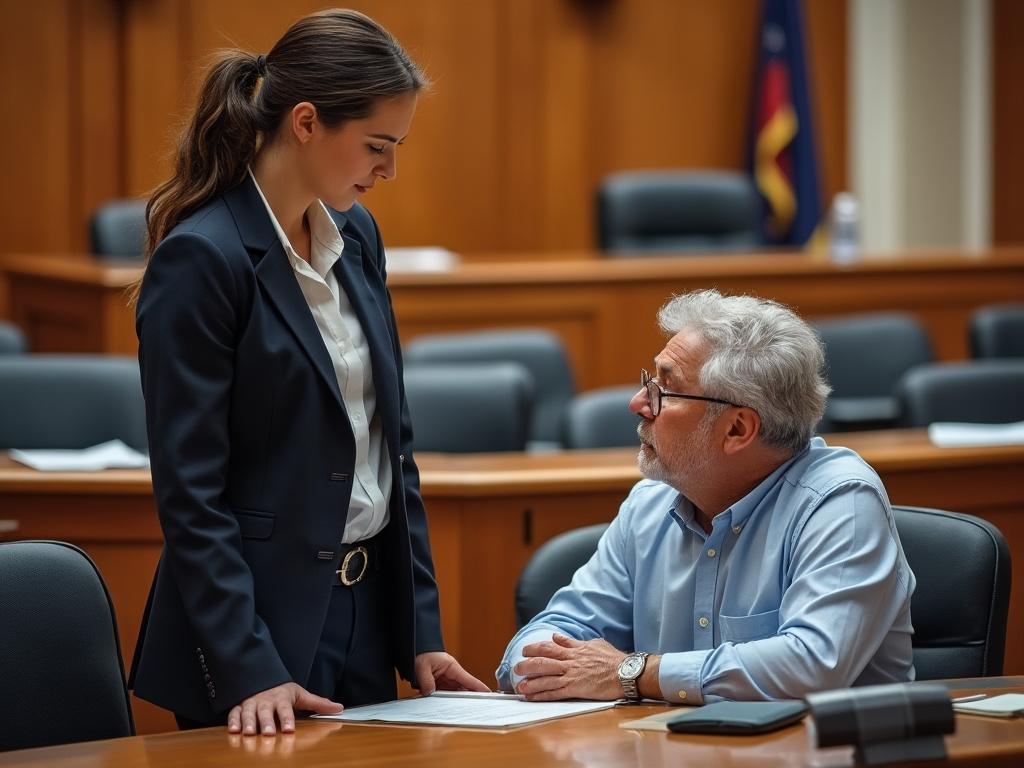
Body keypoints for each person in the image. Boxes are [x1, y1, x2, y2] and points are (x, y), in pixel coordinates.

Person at [131, 8, 487, 736]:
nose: (390, 169)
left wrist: (420, 633)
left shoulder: (357, 235)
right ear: (304, 123)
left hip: (363, 621)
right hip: (252, 636)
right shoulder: (203, 260)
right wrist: (249, 664)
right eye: (377, 146)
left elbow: (392, 451)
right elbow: (191, 494)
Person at [497, 289, 915, 703]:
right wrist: (539, 668)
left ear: (737, 430)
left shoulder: (841, 502)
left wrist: (634, 673)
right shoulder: (649, 505)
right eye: (649, 380)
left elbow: (812, 664)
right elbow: (549, 632)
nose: (638, 402)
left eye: (666, 388)